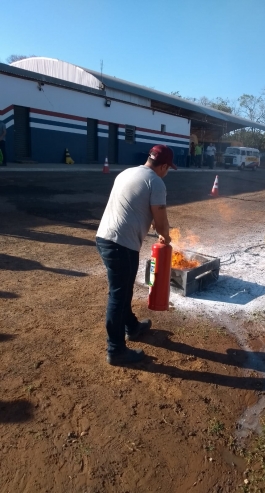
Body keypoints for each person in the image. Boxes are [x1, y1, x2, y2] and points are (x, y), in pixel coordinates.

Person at [96, 144, 176, 366]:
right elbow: (160, 219)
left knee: (123, 289)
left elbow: (132, 206)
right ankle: (116, 350)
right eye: (168, 168)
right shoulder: (156, 182)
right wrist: (165, 236)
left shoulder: (127, 172)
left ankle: (131, 326)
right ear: (163, 166)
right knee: (118, 295)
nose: (167, 172)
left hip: (104, 237)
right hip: (121, 245)